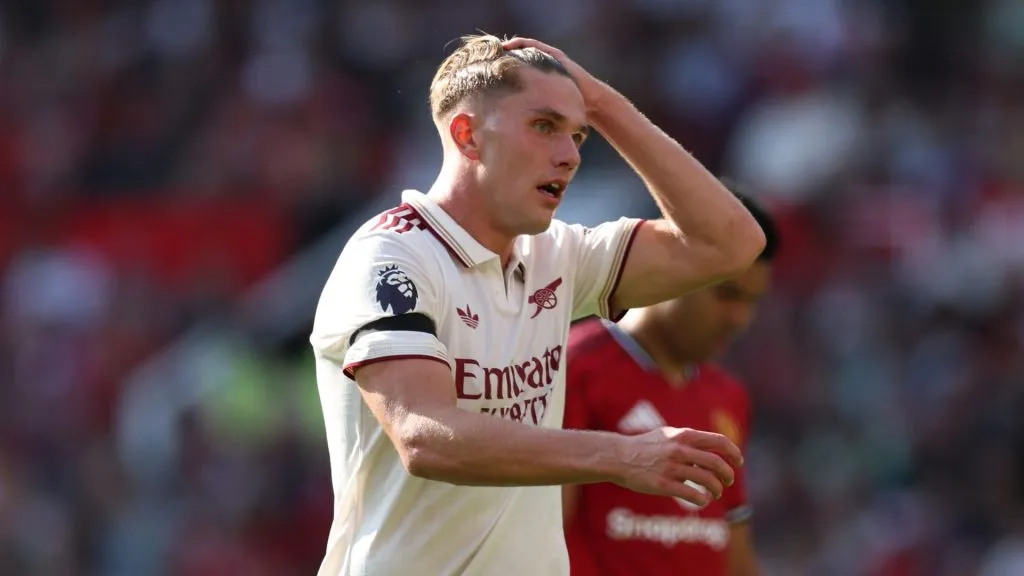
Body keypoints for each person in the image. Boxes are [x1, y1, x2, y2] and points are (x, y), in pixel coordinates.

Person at [308, 33, 766, 576]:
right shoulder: (391, 259)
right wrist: (621, 455)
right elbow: (426, 437)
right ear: (468, 135)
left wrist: (604, 104)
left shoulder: (558, 256)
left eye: (579, 136)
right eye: (544, 126)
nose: (570, 156)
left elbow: (731, 244)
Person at [561, 189, 779, 576]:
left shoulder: (728, 397)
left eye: (752, 302)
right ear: (672, 266)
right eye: (727, 294)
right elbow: (547, 532)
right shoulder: (573, 370)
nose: (739, 319)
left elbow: (732, 544)